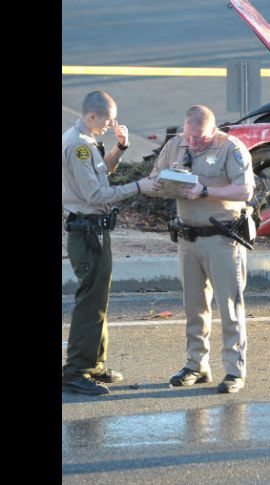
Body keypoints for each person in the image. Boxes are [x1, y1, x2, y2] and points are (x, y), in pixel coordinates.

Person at [148, 105, 255, 394]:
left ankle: (234, 370)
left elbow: (245, 190)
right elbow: (154, 177)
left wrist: (206, 191)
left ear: (213, 129)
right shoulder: (175, 145)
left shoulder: (230, 148)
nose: (193, 143)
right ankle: (196, 365)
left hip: (221, 238)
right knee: (194, 307)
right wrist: (161, 184)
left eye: (201, 138)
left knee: (229, 308)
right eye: (190, 136)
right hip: (187, 238)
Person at [62, 90, 159, 395]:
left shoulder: (87, 139)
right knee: (90, 300)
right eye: (107, 120)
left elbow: (103, 173)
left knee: (98, 299)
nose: (110, 124)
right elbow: (96, 195)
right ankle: (77, 370)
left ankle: (94, 363)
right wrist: (139, 187)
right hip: (86, 231)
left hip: (94, 230)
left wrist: (120, 146)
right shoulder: (78, 146)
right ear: (92, 116)